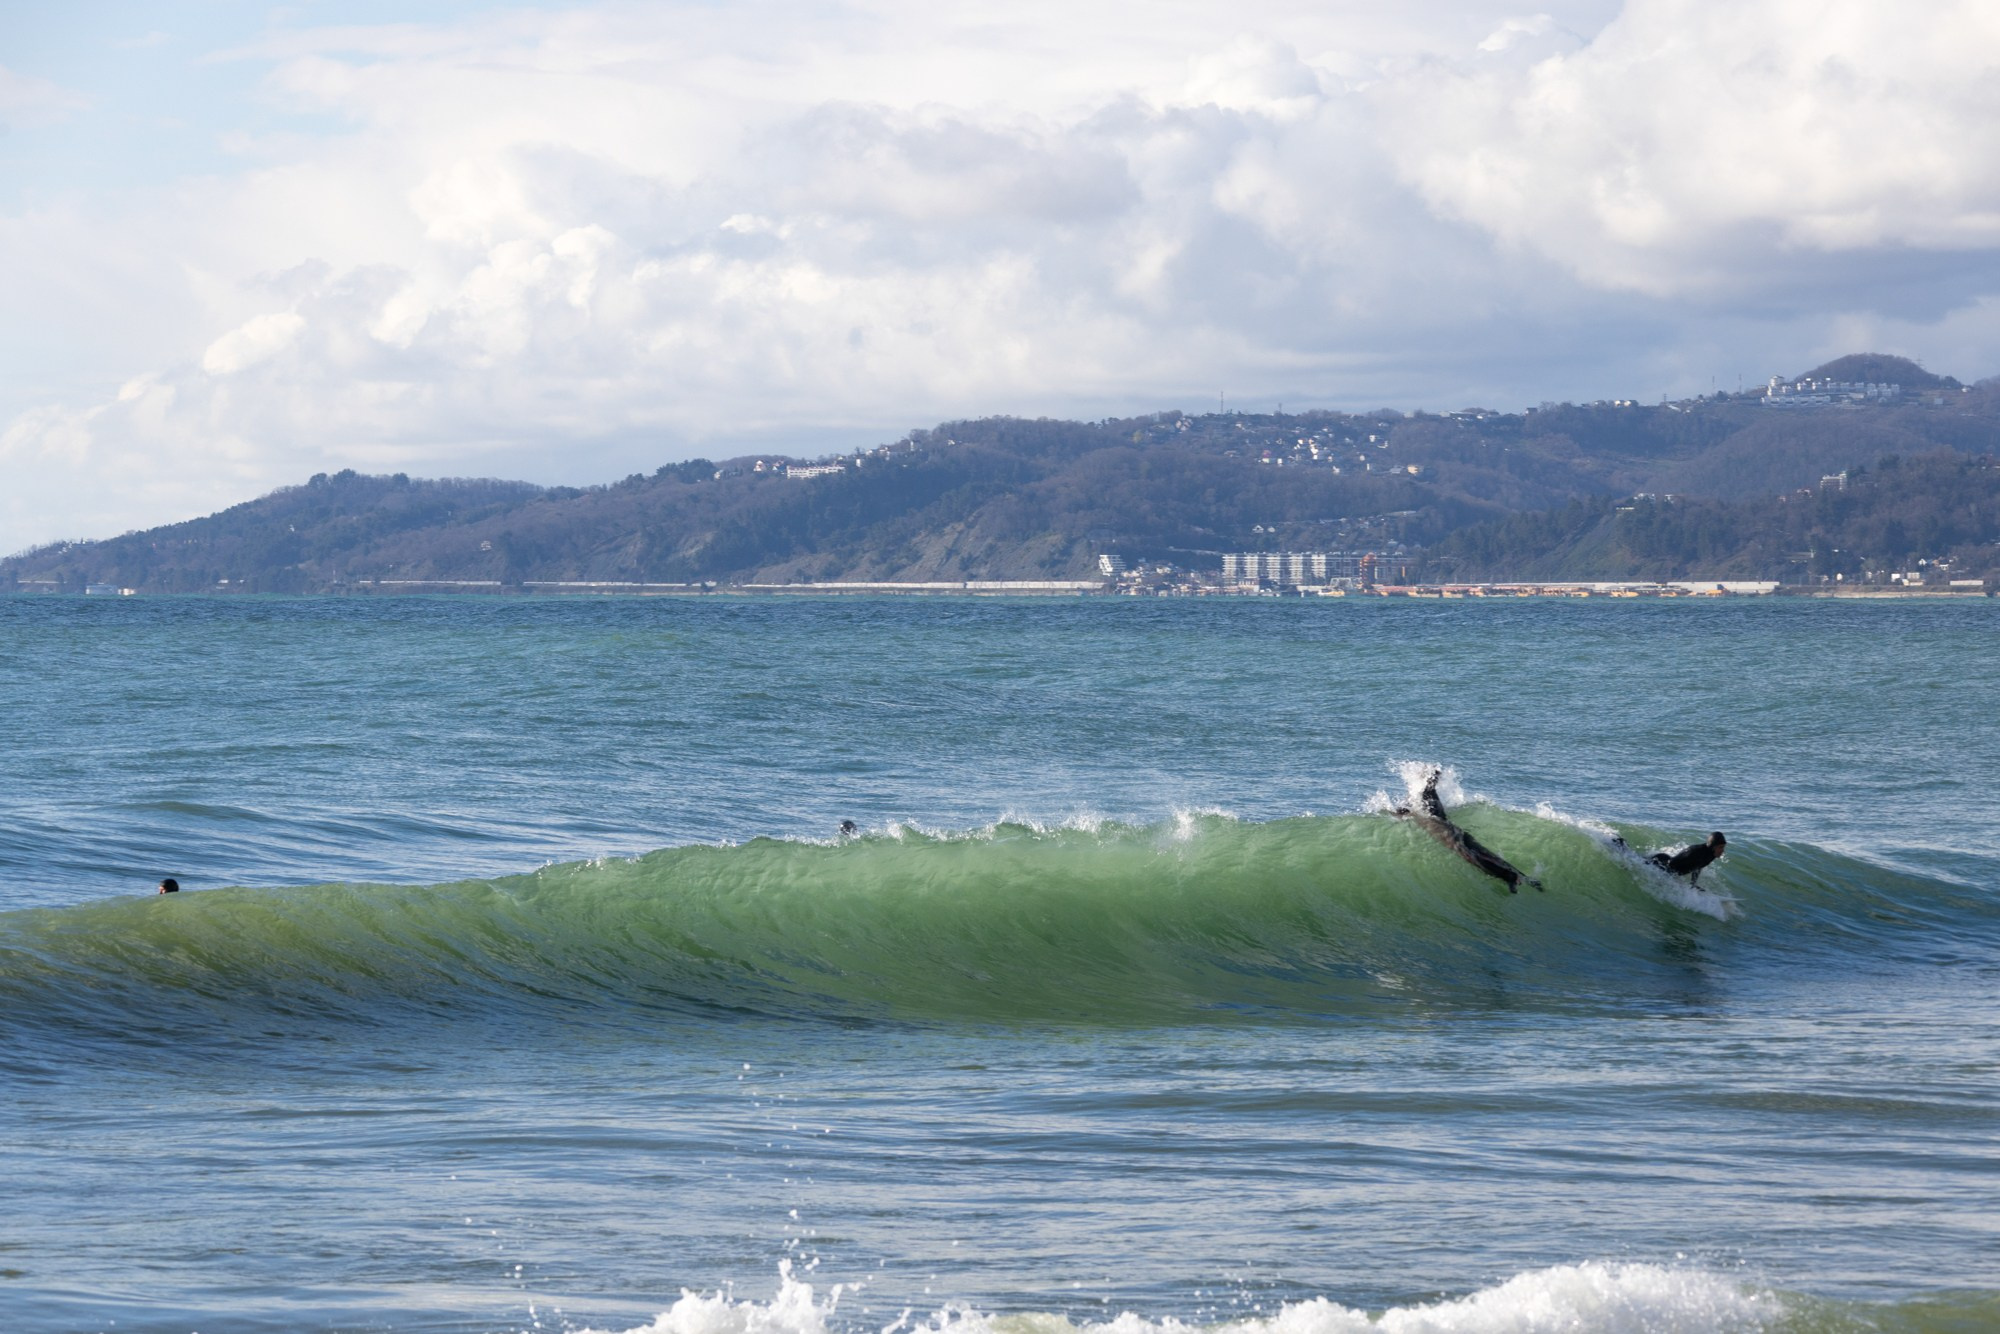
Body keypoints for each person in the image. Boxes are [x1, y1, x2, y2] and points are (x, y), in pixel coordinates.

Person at [1395, 769, 1543, 894]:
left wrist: (1398, 814)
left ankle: (1507, 875)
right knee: (1484, 852)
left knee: (1470, 856)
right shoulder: (1428, 795)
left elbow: (1404, 811)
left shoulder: (1415, 800)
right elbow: (1429, 802)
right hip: (1451, 827)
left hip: (1444, 831)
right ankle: (1526, 878)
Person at [1650, 832, 1726, 886]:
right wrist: (1666, 879)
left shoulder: (1711, 855)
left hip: (1669, 866)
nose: (1722, 850)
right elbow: (1671, 863)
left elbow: (1698, 867)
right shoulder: (1695, 851)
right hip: (1660, 861)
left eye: (1723, 847)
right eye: (1720, 847)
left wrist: (1693, 884)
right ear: (1713, 847)